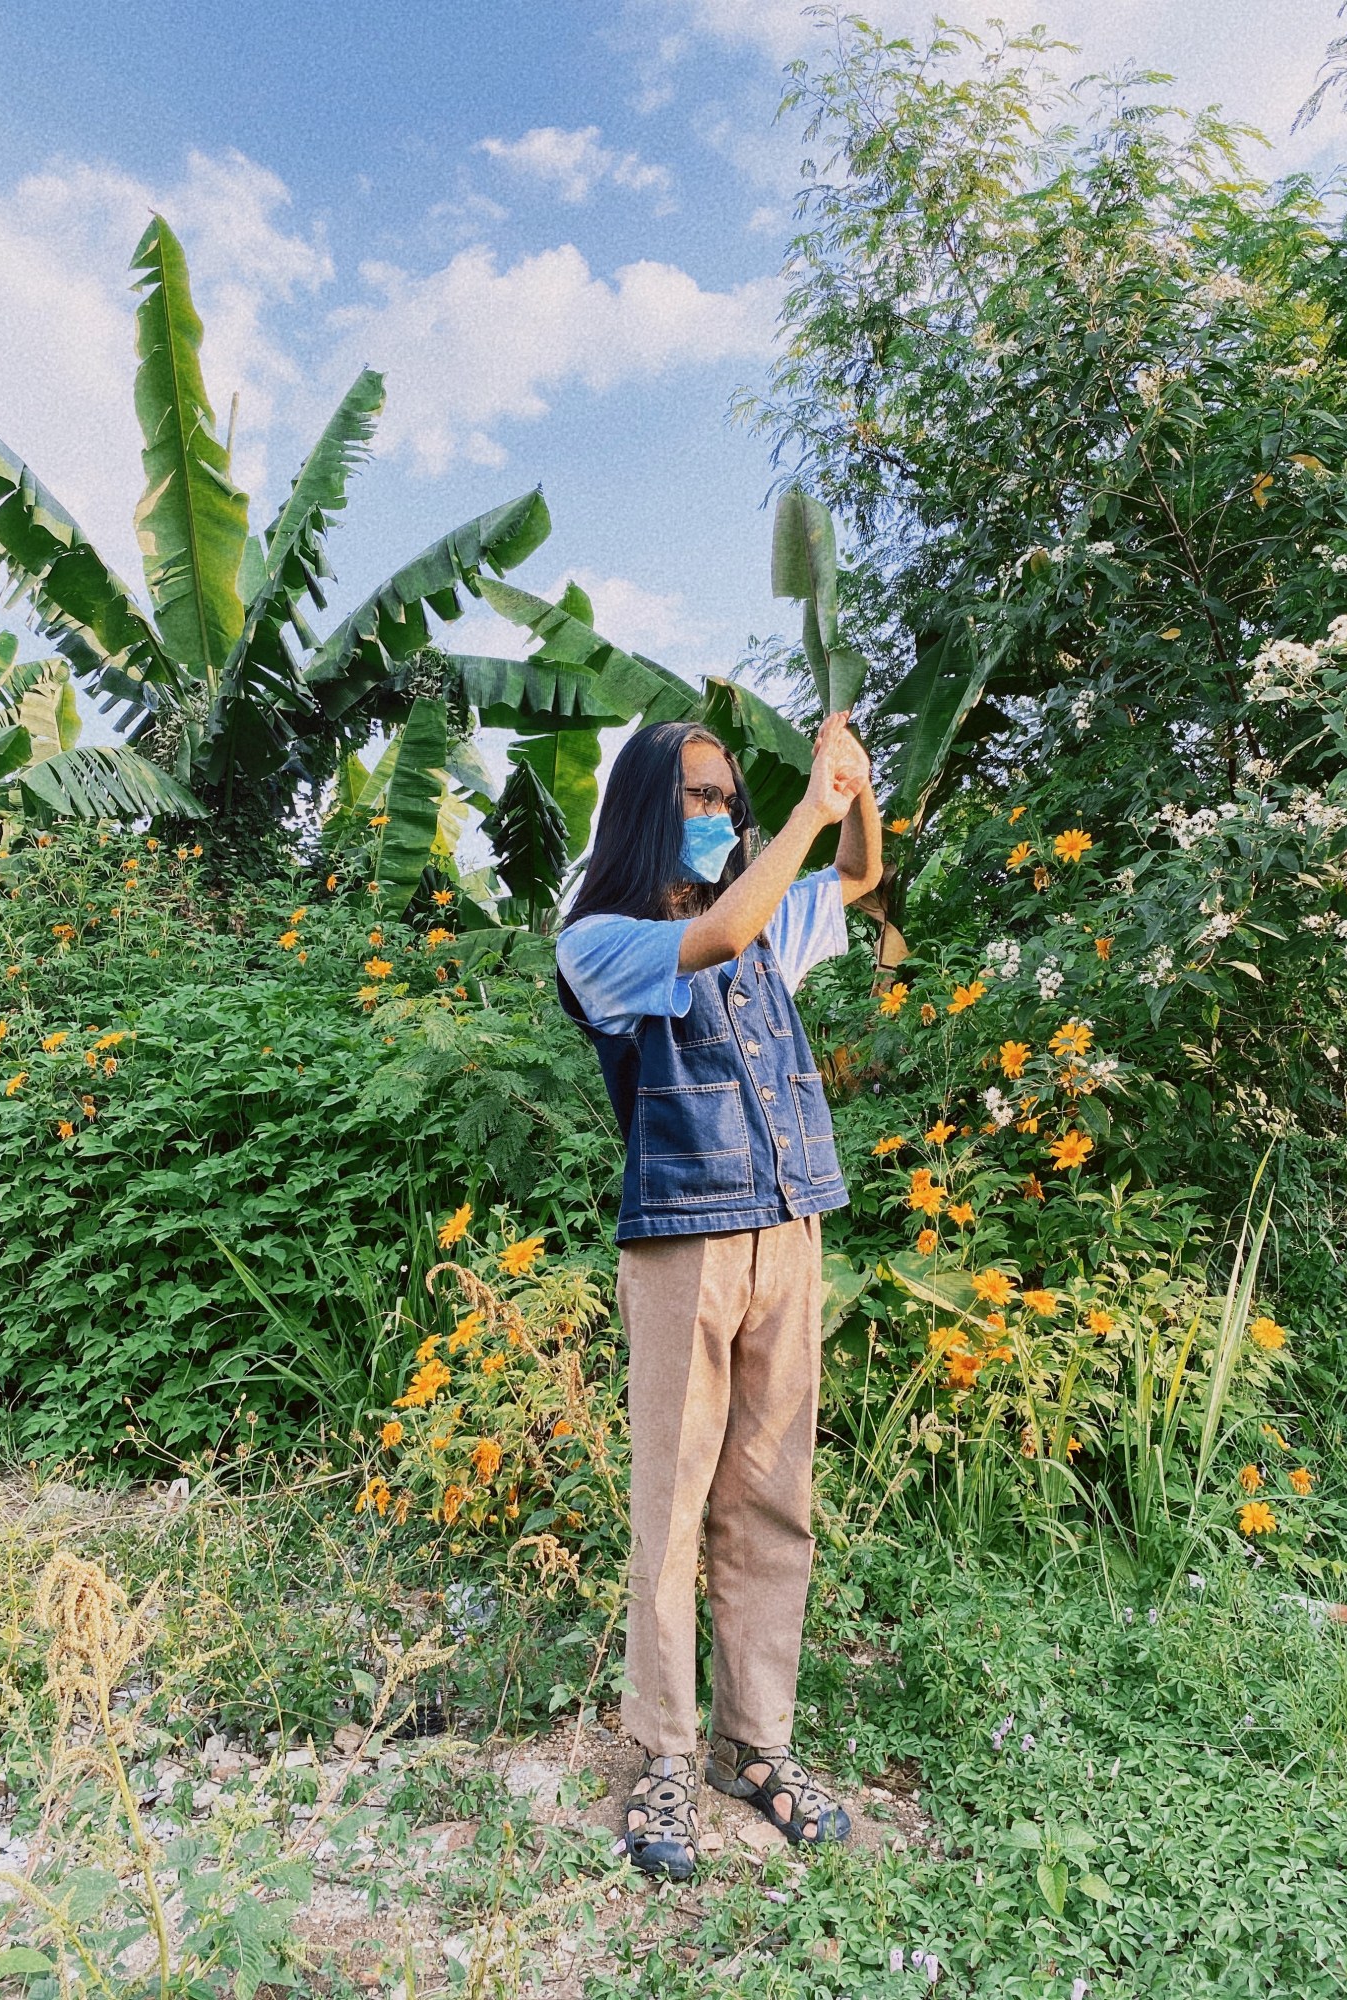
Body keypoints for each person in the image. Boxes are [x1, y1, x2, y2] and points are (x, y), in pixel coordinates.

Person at [554, 711, 881, 1881]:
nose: (721, 818)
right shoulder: (602, 938)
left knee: (770, 1494)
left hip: (789, 1223)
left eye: (729, 799)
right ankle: (664, 1757)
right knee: (674, 1507)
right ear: (648, 805)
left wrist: (851, 785)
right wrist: (803, 810)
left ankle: (760, 1742)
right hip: (683, 1243)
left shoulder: (768, 904)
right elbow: (733, 924)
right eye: (699, 797)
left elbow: (858, 874)